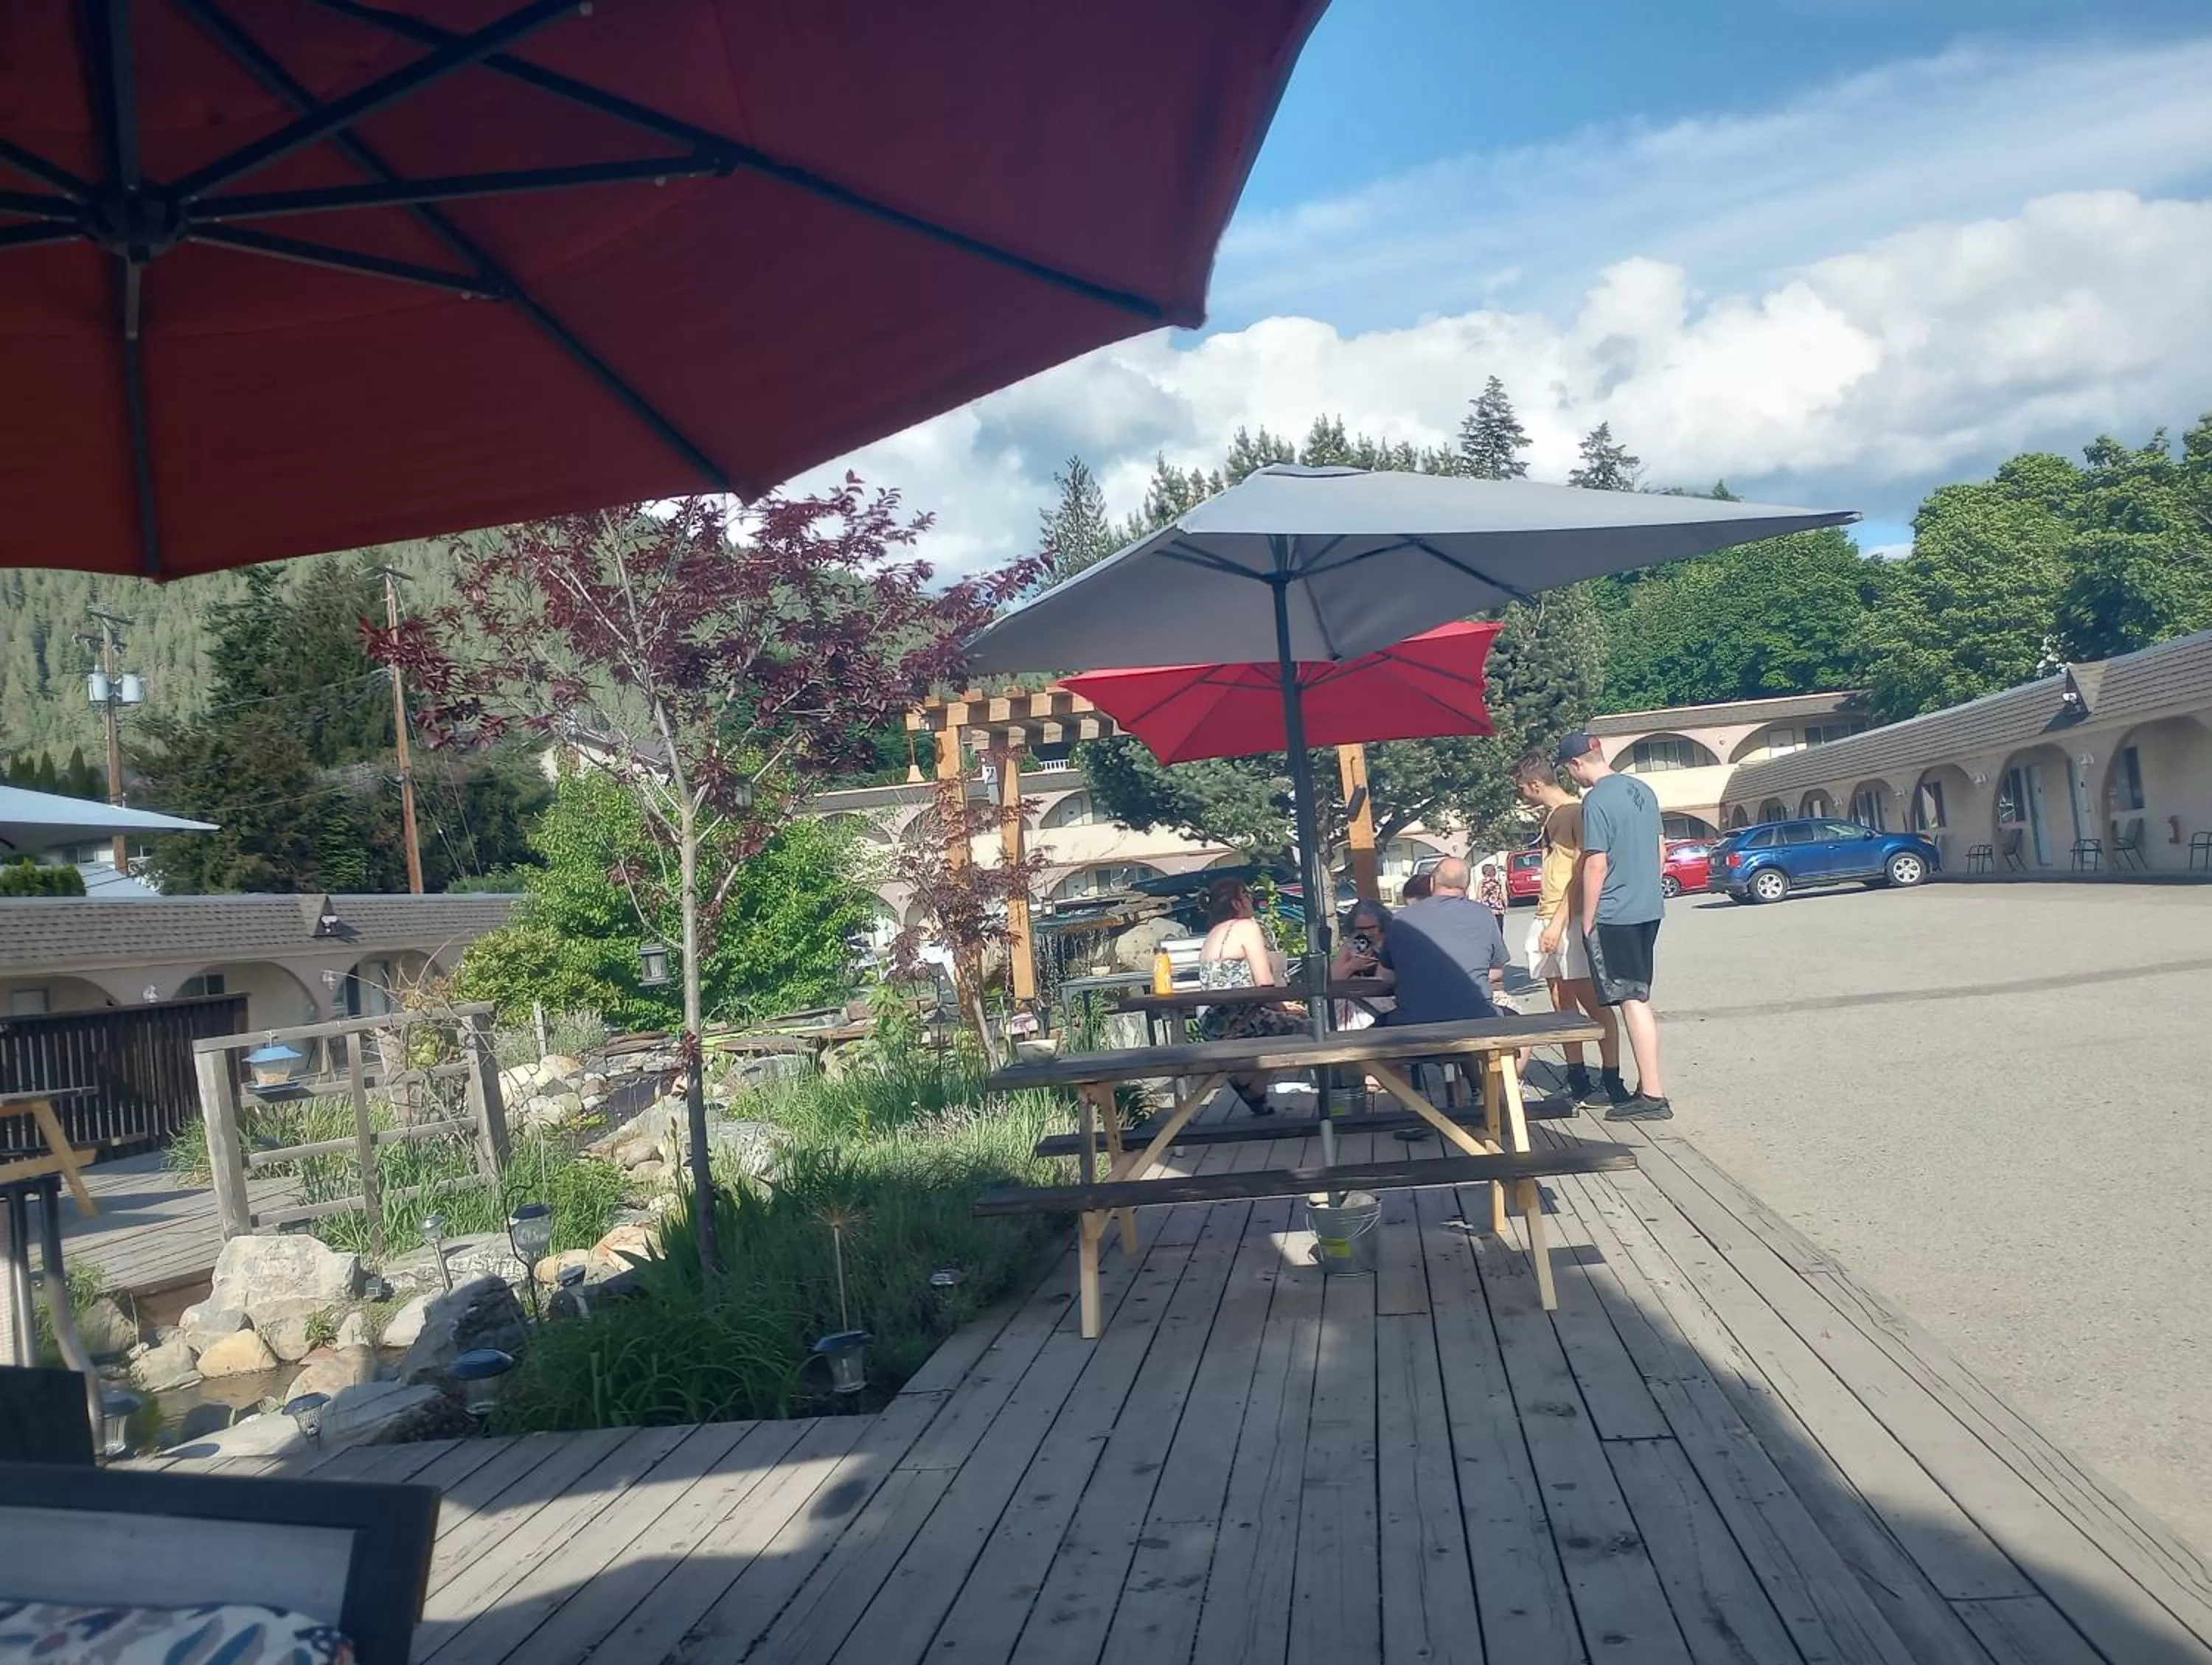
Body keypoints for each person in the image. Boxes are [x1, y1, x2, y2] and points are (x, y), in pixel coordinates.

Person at [1556, 730, 1671, 1120]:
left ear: (1575, 765)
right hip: (1647, 908)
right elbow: (1660, 848)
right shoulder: (1643, 790)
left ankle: (1653, 1096)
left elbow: (1596, 863)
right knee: (1640, 996)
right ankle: (1649, 1084)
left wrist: (1588, 919)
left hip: (1615, 912)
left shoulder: (1596, 801)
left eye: (1569, 770)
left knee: (1631, 999)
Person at [1512, 751, 1627, 1109]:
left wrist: (1561, 921)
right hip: (1546, 914)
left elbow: (1581, 870)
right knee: (1561, 1002)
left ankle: (1611, 1077)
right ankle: (1576, 1074)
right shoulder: (1551, 817)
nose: (1521, 796)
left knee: (1592, 1001)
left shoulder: (1576, 812)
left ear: (1535, 784)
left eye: (1521, 789)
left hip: (1568, 918)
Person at [1195, 876, 1303, 1115]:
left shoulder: (1213, 933)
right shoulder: (1247, 927)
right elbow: (1265, 985)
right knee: (1309, 1028)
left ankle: (1251, 1084)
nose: (1252, 899)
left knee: (1282, 1026)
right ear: (1237, 903)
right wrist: (1284, 1007)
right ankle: (1333, 1105)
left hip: (1212, 1023)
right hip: (1241, 1021)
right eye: (1247, 895)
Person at [1374, 856, 1506, 1024]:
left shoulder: (1401, 919)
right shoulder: (1484, 915)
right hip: (1477, 1018)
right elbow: (1497, 971)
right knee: (1518, 1031)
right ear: (1467, 885)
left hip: (1414, 1022)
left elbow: (1385, 976)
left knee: (1371, 1033)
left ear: (1431, 883)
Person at [1476, 860, 1507, 924]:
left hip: (1486, 911)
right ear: (1494, 872)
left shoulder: (1482, 883)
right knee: (1499, 929)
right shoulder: (1499, 882)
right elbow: (1504, 896)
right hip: (1498, 910)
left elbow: (1479, 897)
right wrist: (1505, 907)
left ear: (1484, 873)